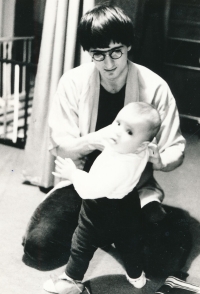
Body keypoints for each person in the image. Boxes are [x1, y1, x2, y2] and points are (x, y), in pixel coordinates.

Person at [23, 4, 185, 269]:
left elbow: (175, 149)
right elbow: (61, 145)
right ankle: (100, 229)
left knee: (161, 255)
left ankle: (107, 228)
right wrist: (93, 139)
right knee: (39, 248)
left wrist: (156, 158)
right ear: (88, 53)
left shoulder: (155, 87)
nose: (109, 64)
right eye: (99, 54)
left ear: (129, 46)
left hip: (131, 187)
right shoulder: (72, 83)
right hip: (85, 185)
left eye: (116, 52)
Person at [43, 102, 161, 293]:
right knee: (129, 242)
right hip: (128, 203)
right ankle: (136, 275)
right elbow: (147, 147)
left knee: (81, 243)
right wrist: (151, 150)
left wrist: (73, 174)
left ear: (142, 143)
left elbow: (92, 189)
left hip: (100, 207)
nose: (117, 132)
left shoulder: (121, 166)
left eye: (129, 131)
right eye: (117, 123)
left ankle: (71, 280)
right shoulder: (138, 149)